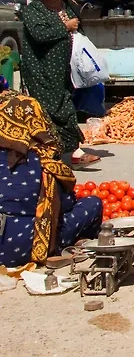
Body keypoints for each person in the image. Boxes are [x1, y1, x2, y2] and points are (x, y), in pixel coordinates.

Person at [0, 90, 102, 267]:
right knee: (92, 204)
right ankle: (65, 245)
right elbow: (65, 203)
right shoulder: (45, 162)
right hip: (21, 245)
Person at [20, 0, 99, 168]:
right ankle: (73, 153)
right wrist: (65, 27)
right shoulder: (33, 10)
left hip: (63, 70)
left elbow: (78, 28)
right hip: (41, 70)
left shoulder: (67, 7)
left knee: (61, 106)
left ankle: (51, 152)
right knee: (58, 109)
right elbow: (39, 34)